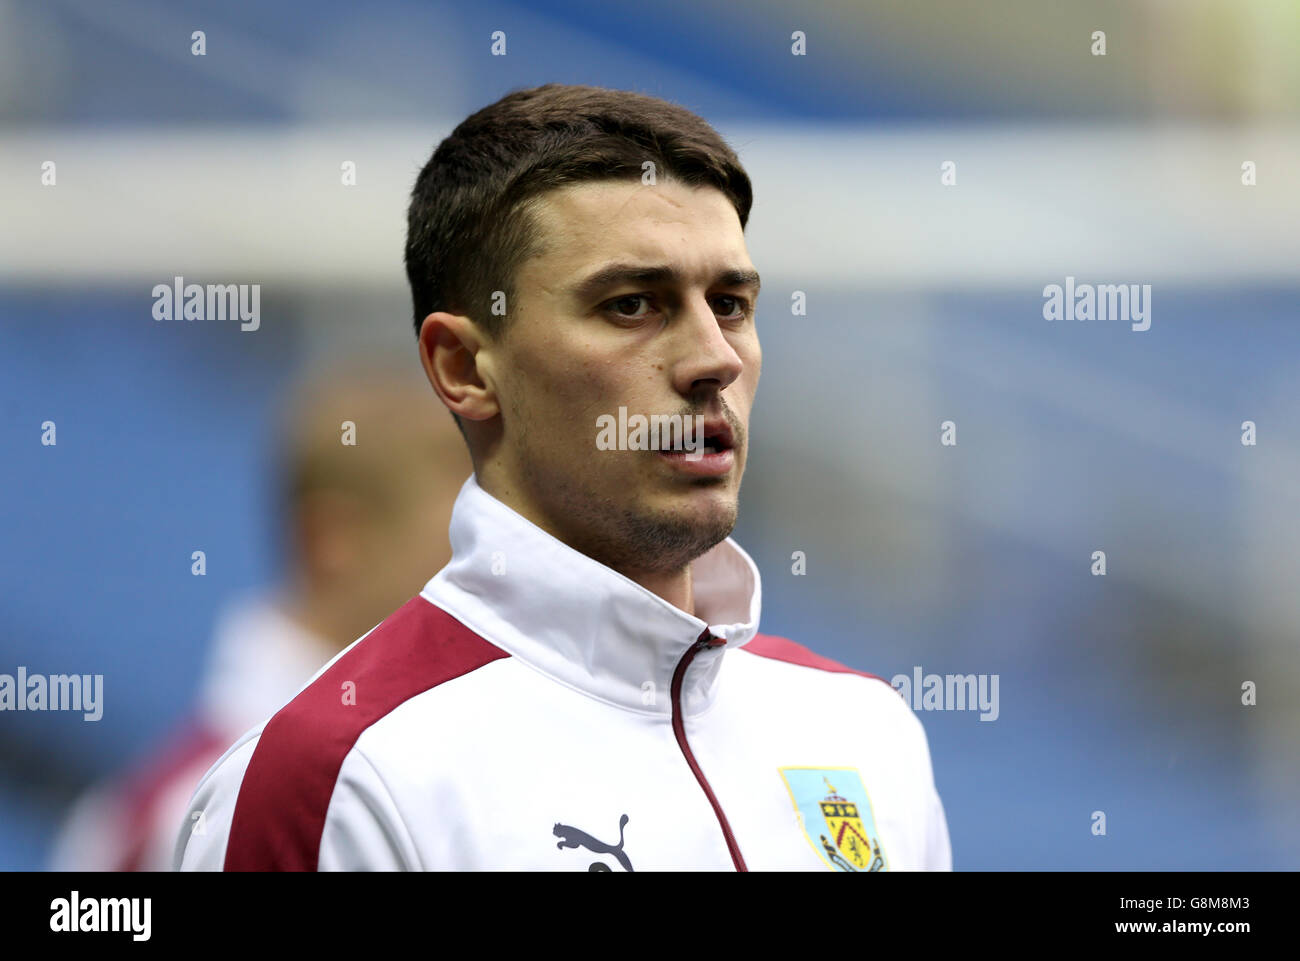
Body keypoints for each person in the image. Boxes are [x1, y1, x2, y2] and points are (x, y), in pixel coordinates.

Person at [175, 83, 951, 871]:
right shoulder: (349, 778)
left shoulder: (865, 731)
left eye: (730, 303)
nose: (714, 356)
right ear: (464, 367)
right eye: (631, 304)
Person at [48, 356, 469, 871]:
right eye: (458, 542)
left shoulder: (457, 754)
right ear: (335, 541)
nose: (485, 574)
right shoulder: (191, 809)